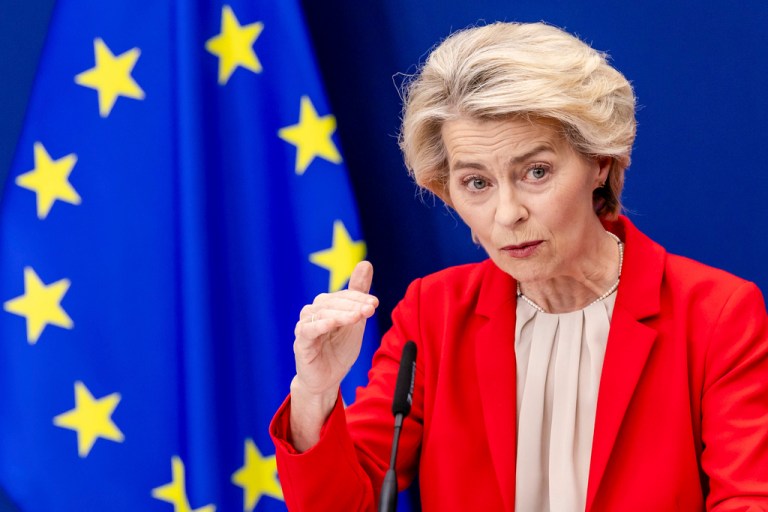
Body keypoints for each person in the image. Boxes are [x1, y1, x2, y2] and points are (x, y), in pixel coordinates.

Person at [269, 21, 768, 511]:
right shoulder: (433, 313)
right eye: (477, 183)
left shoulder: (715, 314)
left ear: (600, 162)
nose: (508, 214)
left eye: (536, 172)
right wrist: (316, 392)